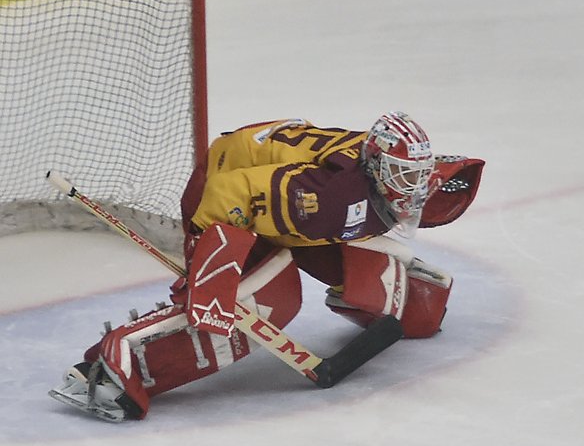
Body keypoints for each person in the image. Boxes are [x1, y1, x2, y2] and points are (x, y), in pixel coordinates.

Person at [48, 112, 485, 422]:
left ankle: (398, 305)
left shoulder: (370, 178)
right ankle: (112, 371)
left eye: (416, 175)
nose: (413, 189)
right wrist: (211, 270)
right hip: (227, 197)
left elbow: (417, 183)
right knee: (264, 304)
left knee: (377, 265)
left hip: (284, 196)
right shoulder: (323, 201)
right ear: (377, 166)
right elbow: (227, 193)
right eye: (402, 177)